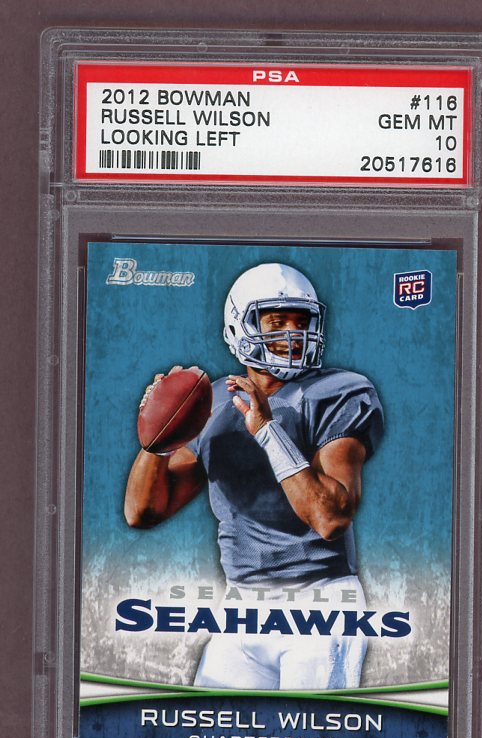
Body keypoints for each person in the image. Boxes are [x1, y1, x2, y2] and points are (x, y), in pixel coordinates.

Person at [125, 262, 384, 690]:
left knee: (308, 731)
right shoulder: (214, 401)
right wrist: (158, 438)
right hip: (241, 603)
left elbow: (331, 517)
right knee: (210, 726)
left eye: (302, 321)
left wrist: (267, 430)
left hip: (320, 601)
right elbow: (144, 512)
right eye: (277, 322)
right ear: (238, 325)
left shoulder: (338, 392)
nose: (293, 333)